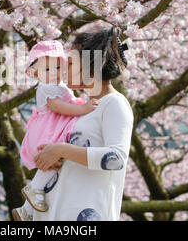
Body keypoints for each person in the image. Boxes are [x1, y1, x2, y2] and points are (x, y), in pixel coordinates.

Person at [32, 26, 134, 221]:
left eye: (70, 63)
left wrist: (61, 149)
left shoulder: (114, 103)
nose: (63, 70)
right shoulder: (82, 109)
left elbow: (117, 158)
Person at [12, 40, 99, 221]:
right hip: (49, 130)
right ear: (36, 73)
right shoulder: (46, 88)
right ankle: (34, 191)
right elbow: (58, 107)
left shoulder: (60, 85)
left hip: (56, 127)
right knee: (51, 162)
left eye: (58, 68)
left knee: (53, 165)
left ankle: (27, 210)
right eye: (47, 70)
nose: (53, 73)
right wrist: (83, 109)